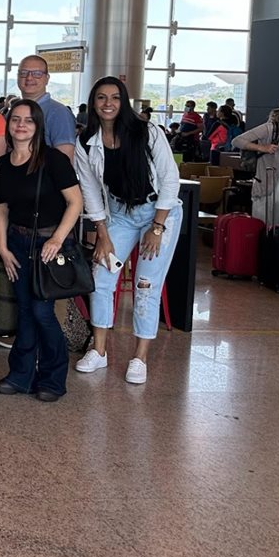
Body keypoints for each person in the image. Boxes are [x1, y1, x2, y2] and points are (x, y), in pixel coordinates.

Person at [74, 76, 183, 386]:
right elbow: (91, 190)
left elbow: (170, 179)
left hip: (159, 213)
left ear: (124, 102)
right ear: (93, 103)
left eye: (115, 97)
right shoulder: (86, 141)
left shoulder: (146, 132)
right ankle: (99, 350)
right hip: (119, 215)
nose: (108, 103)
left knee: (146, 284)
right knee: (101, 278)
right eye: (101, 98)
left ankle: (140, 357)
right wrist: (102, 234)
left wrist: (157, 227)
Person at [0, 100, 84, 402]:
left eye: (28, 120)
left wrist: (58, 239)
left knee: (42, 313)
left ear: (38, 126)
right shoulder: (3, 165)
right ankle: (20, 376)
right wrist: (3, 247)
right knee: (26, 313)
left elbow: (75, 202)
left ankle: (53, 378)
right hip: (18, 244)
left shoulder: (54, 160)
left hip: (48, 245)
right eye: (15, 119)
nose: (21, 125)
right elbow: (2, 208)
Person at [233, 99, 279, 227]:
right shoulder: (271, 128)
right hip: (269, 182)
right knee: (264, 226)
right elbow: (237, 141)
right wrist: (262, 148)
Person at [15, 54, 76, 159]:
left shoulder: (58, 113)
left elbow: (65, 161)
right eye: (24, 73)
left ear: (47, 78)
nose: (29, 78)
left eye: (37, 74)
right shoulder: (12, 113)